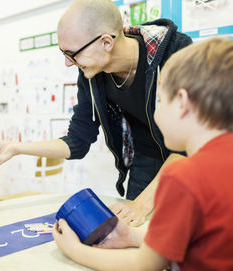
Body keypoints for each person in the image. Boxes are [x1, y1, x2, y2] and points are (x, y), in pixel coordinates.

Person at [0, 0, 192, 226]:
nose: (67, 63)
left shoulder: (176, 51)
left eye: (72, 54)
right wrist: (16, 148)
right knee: (138, 232)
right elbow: (77, 140)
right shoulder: (92, 73)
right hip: (145, 159)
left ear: (106, 42)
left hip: (188, 160)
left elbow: (190, 143)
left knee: (185, 232)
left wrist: (142, 204)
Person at [52, 37, 233, 270]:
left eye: (159, 100)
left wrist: (74, 250)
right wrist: (133, 237)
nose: (154, 114)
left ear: (182, 103)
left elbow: (144, 265)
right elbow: (203, 243)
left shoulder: (182, 176)